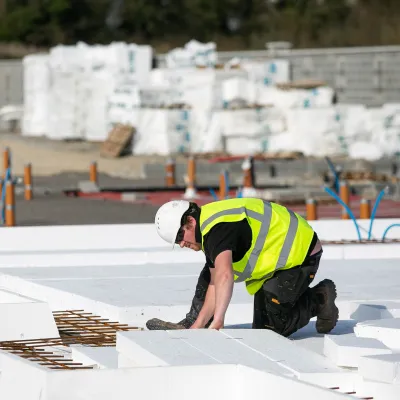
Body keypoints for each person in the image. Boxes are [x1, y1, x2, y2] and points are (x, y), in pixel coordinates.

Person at [147, 197, 338, 336]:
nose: (181, 244)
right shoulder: (207, 227)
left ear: (190, 221)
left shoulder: (217, 230)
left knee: (269, 331)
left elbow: (224, 276)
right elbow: (214, 281)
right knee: (209, 272)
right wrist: (198, 326)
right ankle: (195, 324)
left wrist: (219, 319)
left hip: (300, 255)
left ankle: (319, 299)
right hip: (276, 257)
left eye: (180, 237)